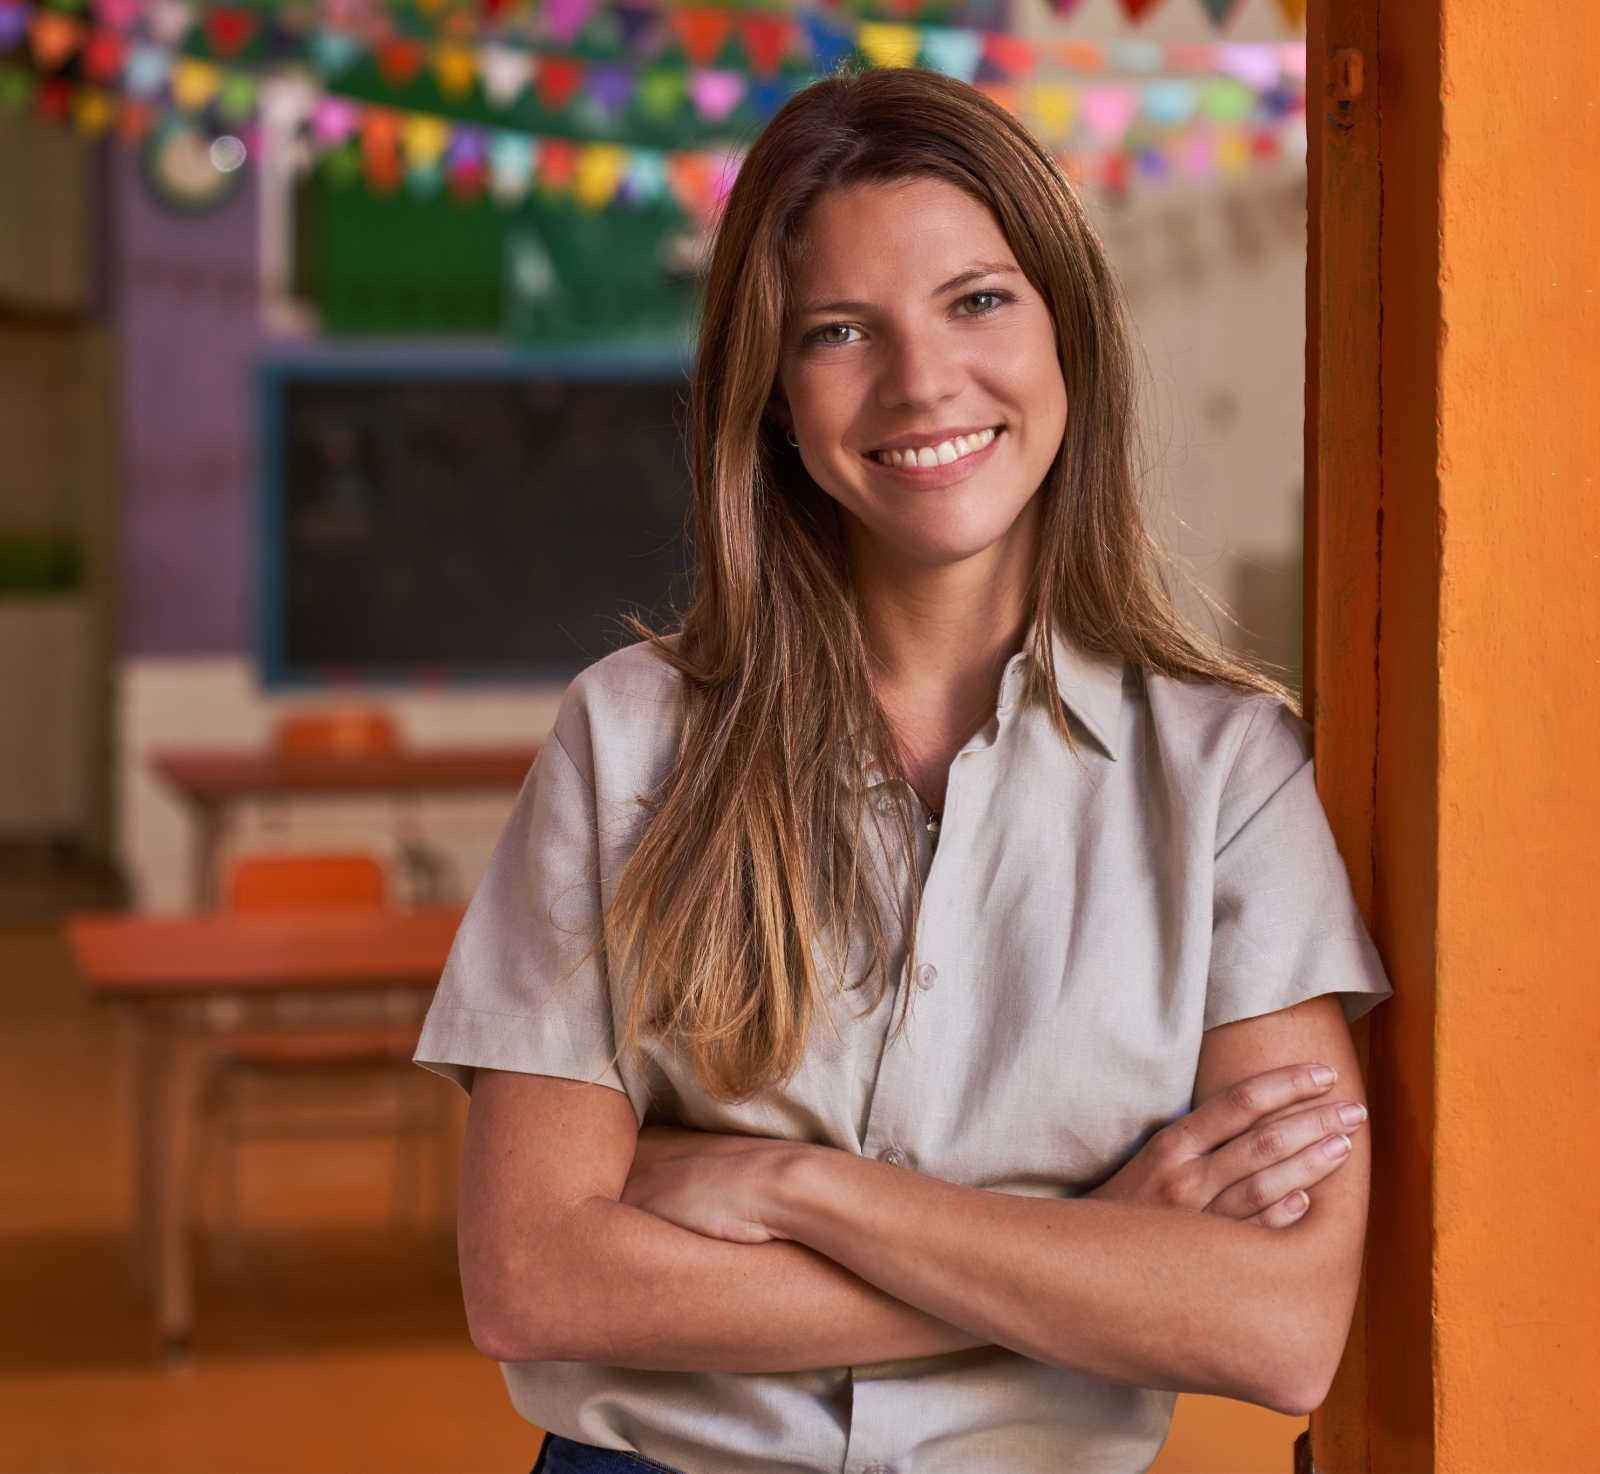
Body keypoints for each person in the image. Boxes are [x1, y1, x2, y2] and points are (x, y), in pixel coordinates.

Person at [413, 64, 1392, 1474]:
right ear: (773, 398)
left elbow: (1279, 1324)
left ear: (1069, 334)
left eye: (978, 300)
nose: (922, 379)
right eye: (838, 330)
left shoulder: (1231, 774)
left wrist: (797, 1186)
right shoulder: (625, 740)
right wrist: (1098, 1258)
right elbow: (535, 1277)